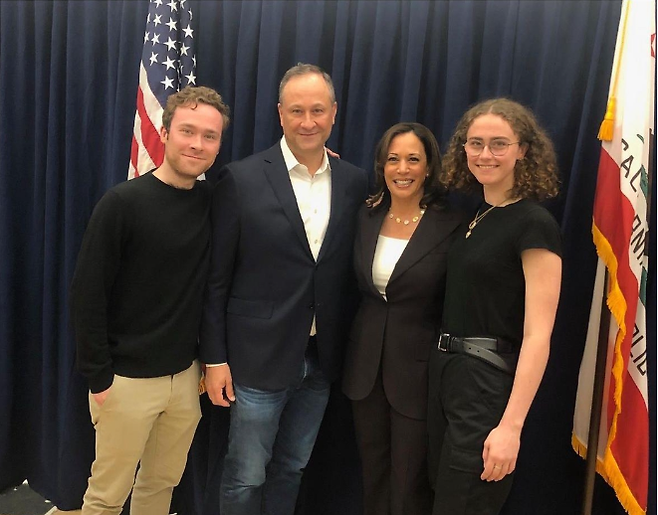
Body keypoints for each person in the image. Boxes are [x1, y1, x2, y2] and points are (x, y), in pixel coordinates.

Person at [199, 63, 368, 515]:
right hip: (256, 359)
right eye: (297, 110)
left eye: (317, 110)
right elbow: (217, 279)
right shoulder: (241, 178)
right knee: (245, 474)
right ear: (279, 113)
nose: (307, 121)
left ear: (334, 114)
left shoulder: (354, 182)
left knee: (292, 467)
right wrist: (214, 358)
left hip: (321, 359)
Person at [70, 86, 230, 515]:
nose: (198, 144)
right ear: (165, 131)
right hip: (126, 382)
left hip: (184, 380)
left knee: (160, 488)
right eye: (188, 131)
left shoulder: (214, 201)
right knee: (106, 498)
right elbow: (87, 296)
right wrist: (100, 379)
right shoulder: (122, 204)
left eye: (210, 136)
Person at [427, 98, 562, 514]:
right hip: (447, 375)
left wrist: (510, 426)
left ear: (523, 149)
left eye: (499, 144)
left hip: (487, 383)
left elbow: (539, 335)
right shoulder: (478, 215)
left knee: (464, 504)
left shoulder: (534, 222)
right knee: (443, 495)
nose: (485, 154)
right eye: (476, 143)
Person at [342, 122, 463, 515]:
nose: (402, 169)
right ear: (382, 166)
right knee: (373, 476)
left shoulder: (452, 226)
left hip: (419, 375)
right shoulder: (365, 216)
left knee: (409, 482)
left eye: (413, 159)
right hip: (364, 371)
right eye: (393, 159)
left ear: (429, 167)